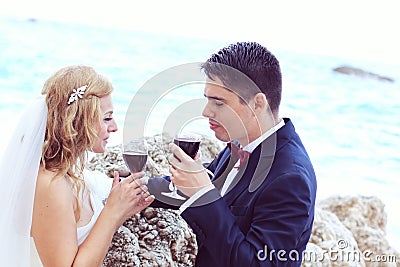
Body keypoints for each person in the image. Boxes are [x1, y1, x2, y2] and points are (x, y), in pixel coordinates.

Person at [149, 42, 317, 266]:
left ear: (257, 103)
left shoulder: (290, 179)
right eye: (208, 99)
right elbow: (203, 183)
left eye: (218, 103)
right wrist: (130, 189)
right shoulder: (242, 142)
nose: (206, 112)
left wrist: (203, 194)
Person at [0, 65, 154, 266]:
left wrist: (123, 207)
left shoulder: (75, 174)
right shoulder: (50, 184)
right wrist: (112, 213)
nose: (115, 127)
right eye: (107, 118)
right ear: (79, 120)